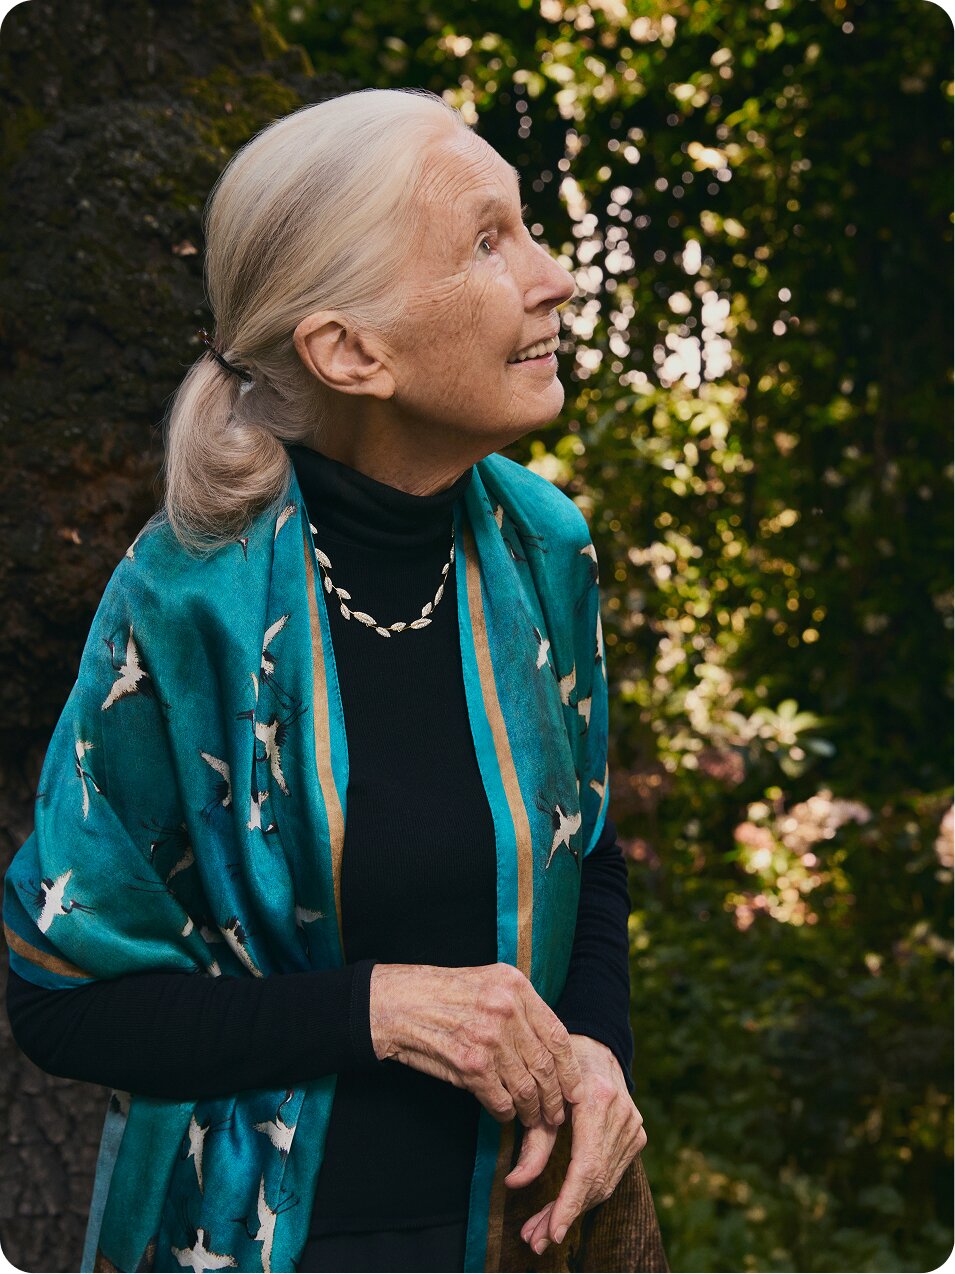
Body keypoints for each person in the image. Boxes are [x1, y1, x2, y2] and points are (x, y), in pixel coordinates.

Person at [3, 87, 666, 1273]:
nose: (555, 274)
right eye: (485, 240)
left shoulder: (543, 549)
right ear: (351, 350)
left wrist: (601, 1050)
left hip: (525, 1240)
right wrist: (378, 1008)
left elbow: (590, 847)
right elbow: (60, 993)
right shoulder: (187, 598)